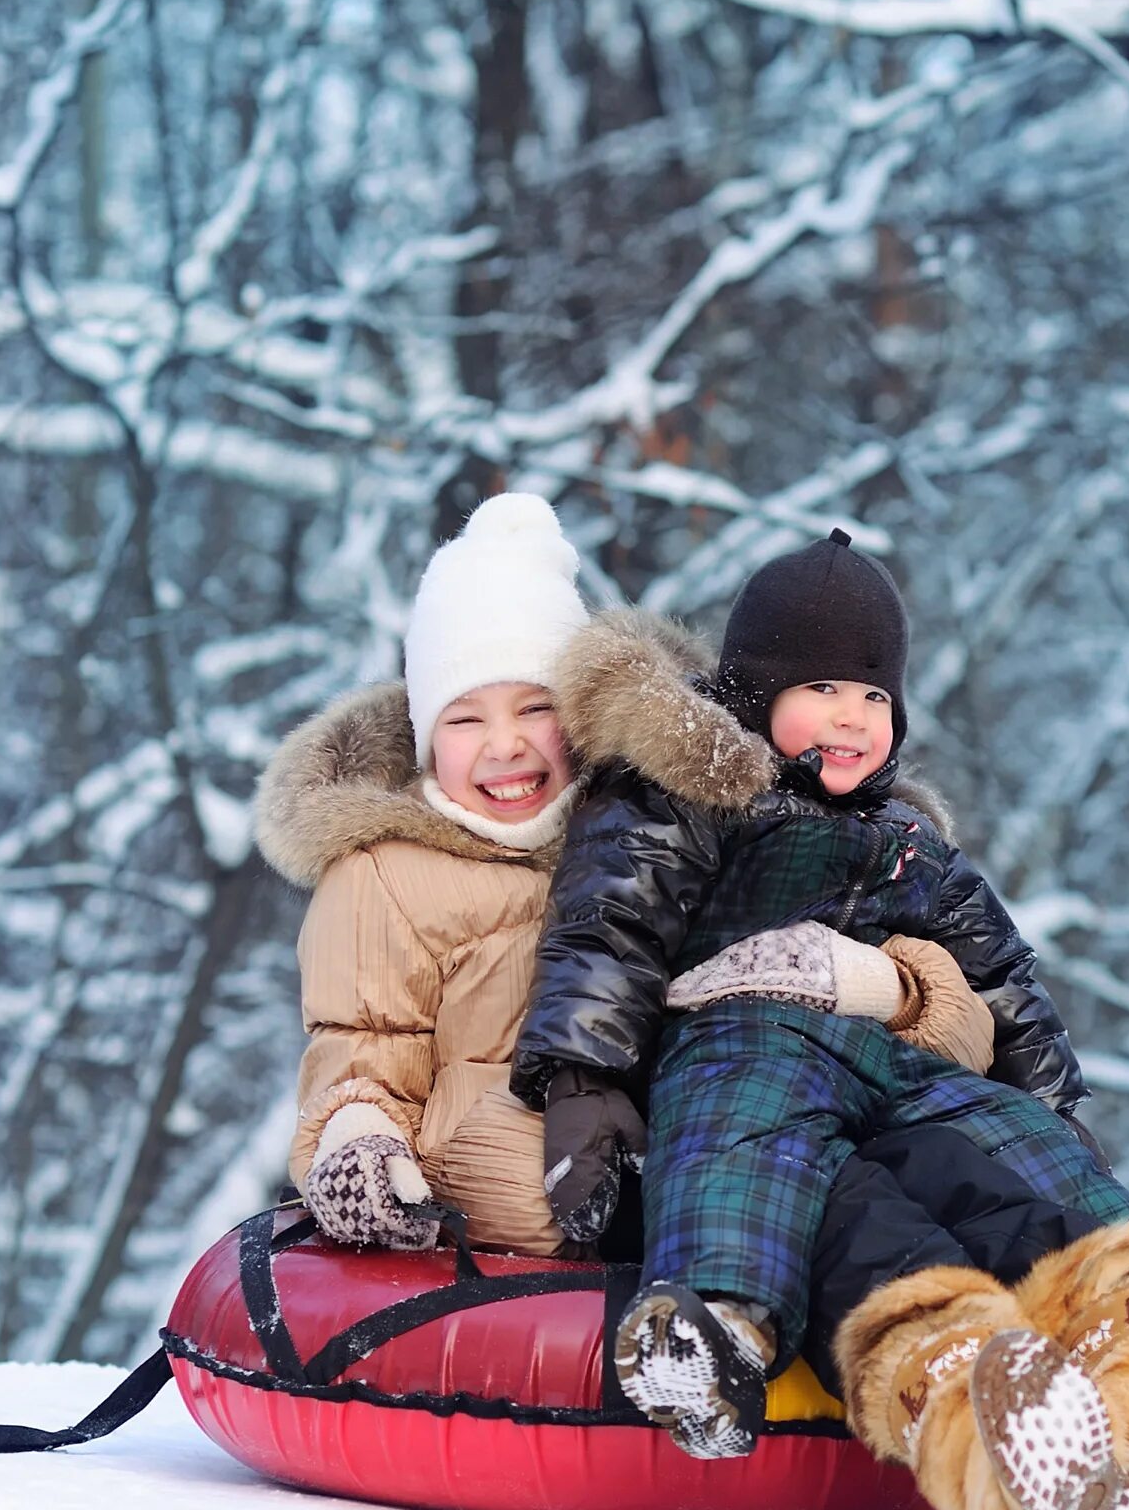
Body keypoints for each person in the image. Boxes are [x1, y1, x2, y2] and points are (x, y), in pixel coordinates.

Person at [517, 529, 1129, 1510]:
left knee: (1027, 1165)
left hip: (898, 1061)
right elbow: (608, 925)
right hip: (742, 1028)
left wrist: (1052, 1107)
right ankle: (719, 1330)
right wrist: (584, 1079)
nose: (853, 716)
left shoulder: (910, 839)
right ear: (750, 692)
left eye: (874, 698)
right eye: (824, 687)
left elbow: (1005, 980)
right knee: (758, 1147)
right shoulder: (688, 786)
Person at [257, 493, 993, 1257]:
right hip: (507, 1192)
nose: (505, 747)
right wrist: (357, 1137)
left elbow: (967, 1029)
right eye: (464, 719)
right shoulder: (387, 875)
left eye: (535, 709)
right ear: (423, 735)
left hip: (713, 1150)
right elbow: (363, 1047)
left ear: (583, 715)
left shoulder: (665, 832)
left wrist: (890, 985)